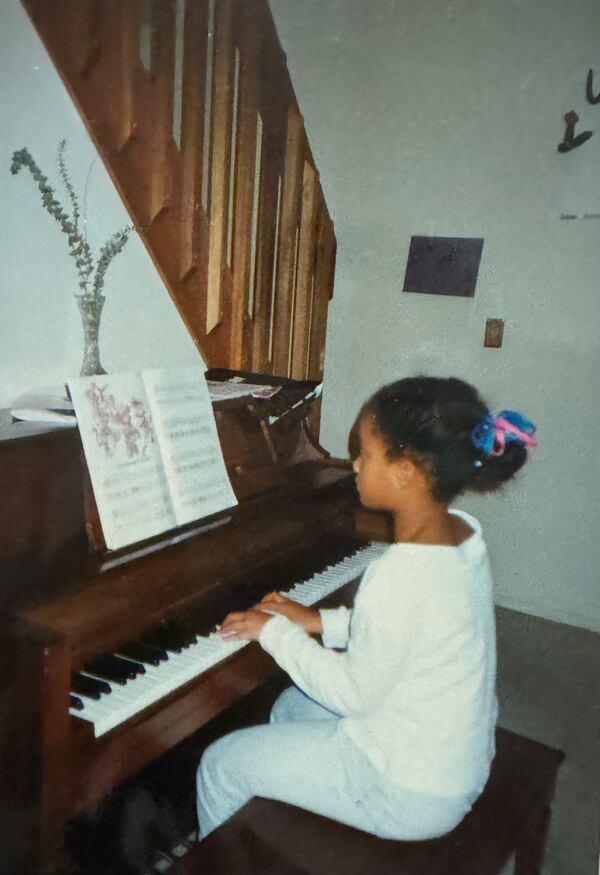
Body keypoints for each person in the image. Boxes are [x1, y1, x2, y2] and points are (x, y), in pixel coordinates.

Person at [196, 376, 537, 842]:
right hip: (451, 753)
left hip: (409, 792)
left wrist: (275, 633)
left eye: (367, 454)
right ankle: (281, 840)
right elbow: (414, 631)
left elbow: (353, 695)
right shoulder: (463, 533)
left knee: (219, 764)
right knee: (292, 708)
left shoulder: (399, 573)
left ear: (407, 473)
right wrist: (318, 620)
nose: (354, 463)